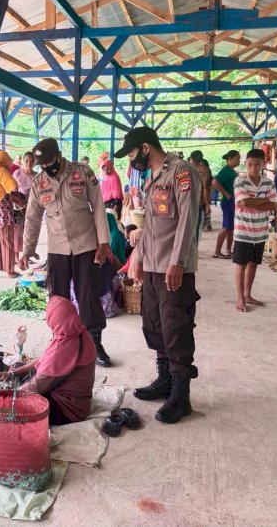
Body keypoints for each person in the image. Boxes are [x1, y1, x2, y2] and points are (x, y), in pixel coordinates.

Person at [121, 126, 200, 424]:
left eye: (131, 153)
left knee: (176, 327)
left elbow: (188, 220)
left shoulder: (181, 172)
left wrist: (178, 262)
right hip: (152, 265)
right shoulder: (152, 177)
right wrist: (137, 258)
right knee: (154, 325)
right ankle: (164, 380)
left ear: (144, 147)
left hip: (172, 267)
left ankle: (181, 395)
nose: (131, 160)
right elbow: (151, 225)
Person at [22, 138, 113, 367]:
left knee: (88, 294)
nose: (46, 168)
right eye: (41, 165)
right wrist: (27, 249)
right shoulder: (39, 182)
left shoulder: (82, 173)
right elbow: (32, 217)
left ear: (59, 155)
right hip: (58, 248)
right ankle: (61, 343)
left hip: (86, 244)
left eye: (49, 162)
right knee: (58, 298)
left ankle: (94, 343)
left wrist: (103, 242)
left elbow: (99, 206)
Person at [0, 296, 96, 425]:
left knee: (11, 410)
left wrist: (7, 396)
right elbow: (43, 359)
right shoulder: (76, 332)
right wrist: (13, 374)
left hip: (68, 410)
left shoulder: (63, 349)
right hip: (78, 400)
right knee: (18, 366)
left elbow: (36, 387)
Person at [232, 149, 277, 313]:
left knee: (253, 264)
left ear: (263, 164)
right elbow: (243, 203)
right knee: (241, 264)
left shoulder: (268, 182)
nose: (253, 167)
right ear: (246, 164)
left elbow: (274, 205)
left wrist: (254, 201)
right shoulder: (240, 181)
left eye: (257, 164)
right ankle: (240, 297)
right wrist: (265, 200)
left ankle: (248, 294)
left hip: (260, 232)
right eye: (250, 164)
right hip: (243, 231)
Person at [212, 150, 241, 259]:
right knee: (226, 227)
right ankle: (217, 251)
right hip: (228, 202)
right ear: (230, 159)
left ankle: (228, 250)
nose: (239, 161)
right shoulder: (226, 170)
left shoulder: (230, 170)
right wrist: (226, 194)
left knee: (230, 227)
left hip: (232, 202)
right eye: (237, 158)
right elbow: (214, 182)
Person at [189, 150, 212, 244]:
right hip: (198, 203)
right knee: (197, 228)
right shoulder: (204, 170)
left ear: (191, 158)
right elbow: (206, 188)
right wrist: (207, 204)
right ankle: (194, 249)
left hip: (185, 203)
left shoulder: (184, 168)